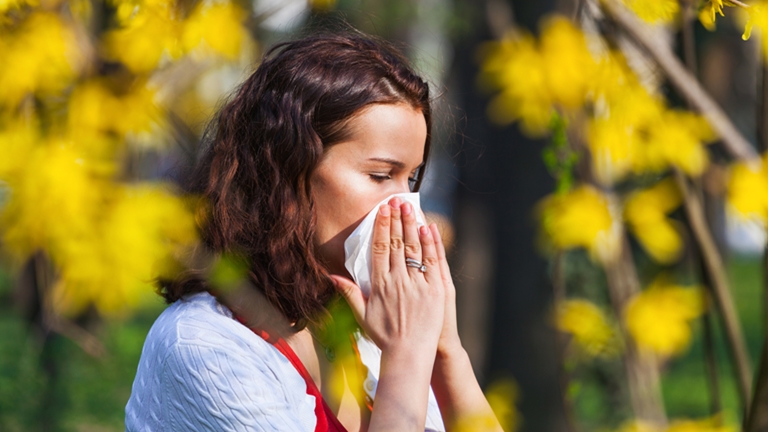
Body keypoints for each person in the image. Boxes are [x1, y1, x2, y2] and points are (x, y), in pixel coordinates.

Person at [125, 31, 502, 432]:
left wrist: (445, 350)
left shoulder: (369, 332)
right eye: (380, 175)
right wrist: (407, 358)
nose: (405, 208)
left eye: (410, 180)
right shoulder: (205, 347)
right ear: (288, 170)